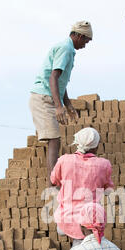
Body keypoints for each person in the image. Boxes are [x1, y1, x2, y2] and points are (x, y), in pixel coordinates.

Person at [29, 21, 93, 186]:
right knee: (54, 140)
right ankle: (53, 183)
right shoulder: (65, 49)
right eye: (85, 40)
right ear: (79, 36)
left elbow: (60, 82)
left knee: (55, 139)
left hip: (48, 96)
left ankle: (54, 180)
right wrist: (59, 106)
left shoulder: (68, 49)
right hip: (43, 97)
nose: (85, 45)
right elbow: (53, 77)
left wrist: (68, 104)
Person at [50, 127, 114, 247]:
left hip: (65, 220)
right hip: (89, 222)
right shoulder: (104, 164)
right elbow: (108, 190)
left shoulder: (64, 160)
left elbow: (54, 180)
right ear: (96, 146)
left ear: (77, 143)